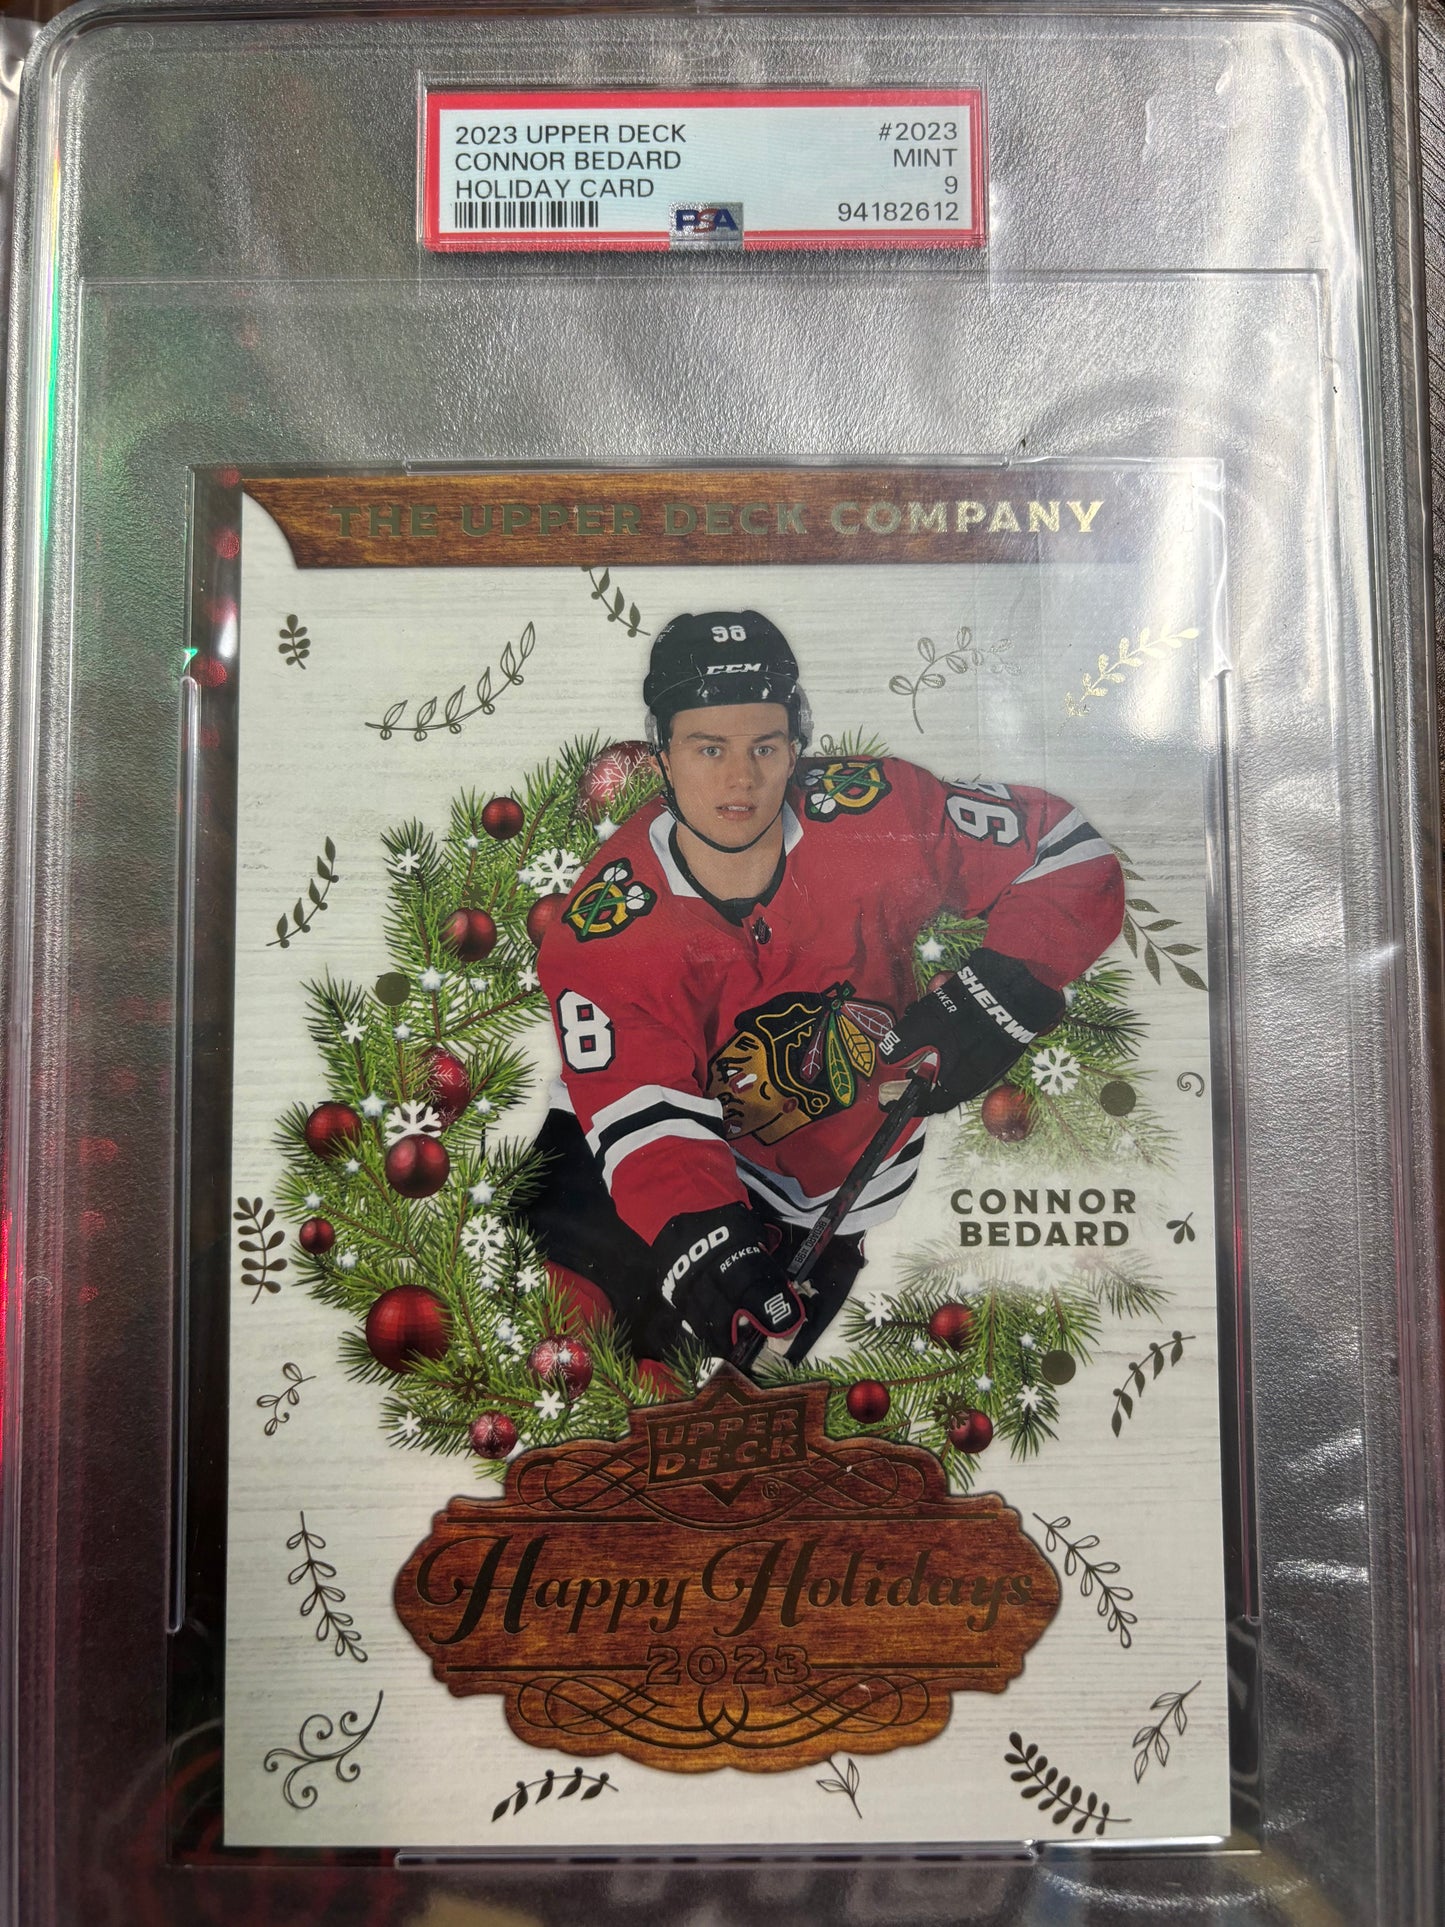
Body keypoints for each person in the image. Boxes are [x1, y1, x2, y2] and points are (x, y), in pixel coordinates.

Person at [526, 609, 1124, 1367]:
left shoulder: (876, 814)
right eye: (708, 748)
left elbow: (1064, 850)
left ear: (796, 746)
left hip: (825, 1190)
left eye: (764, 746)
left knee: (712, 1420)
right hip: (630, 1157)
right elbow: (644, 1113)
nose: (740, 779)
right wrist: (701, 1236)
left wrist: (1002, 987)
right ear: (662, 756)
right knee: (547, 1353)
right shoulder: (606, 926)